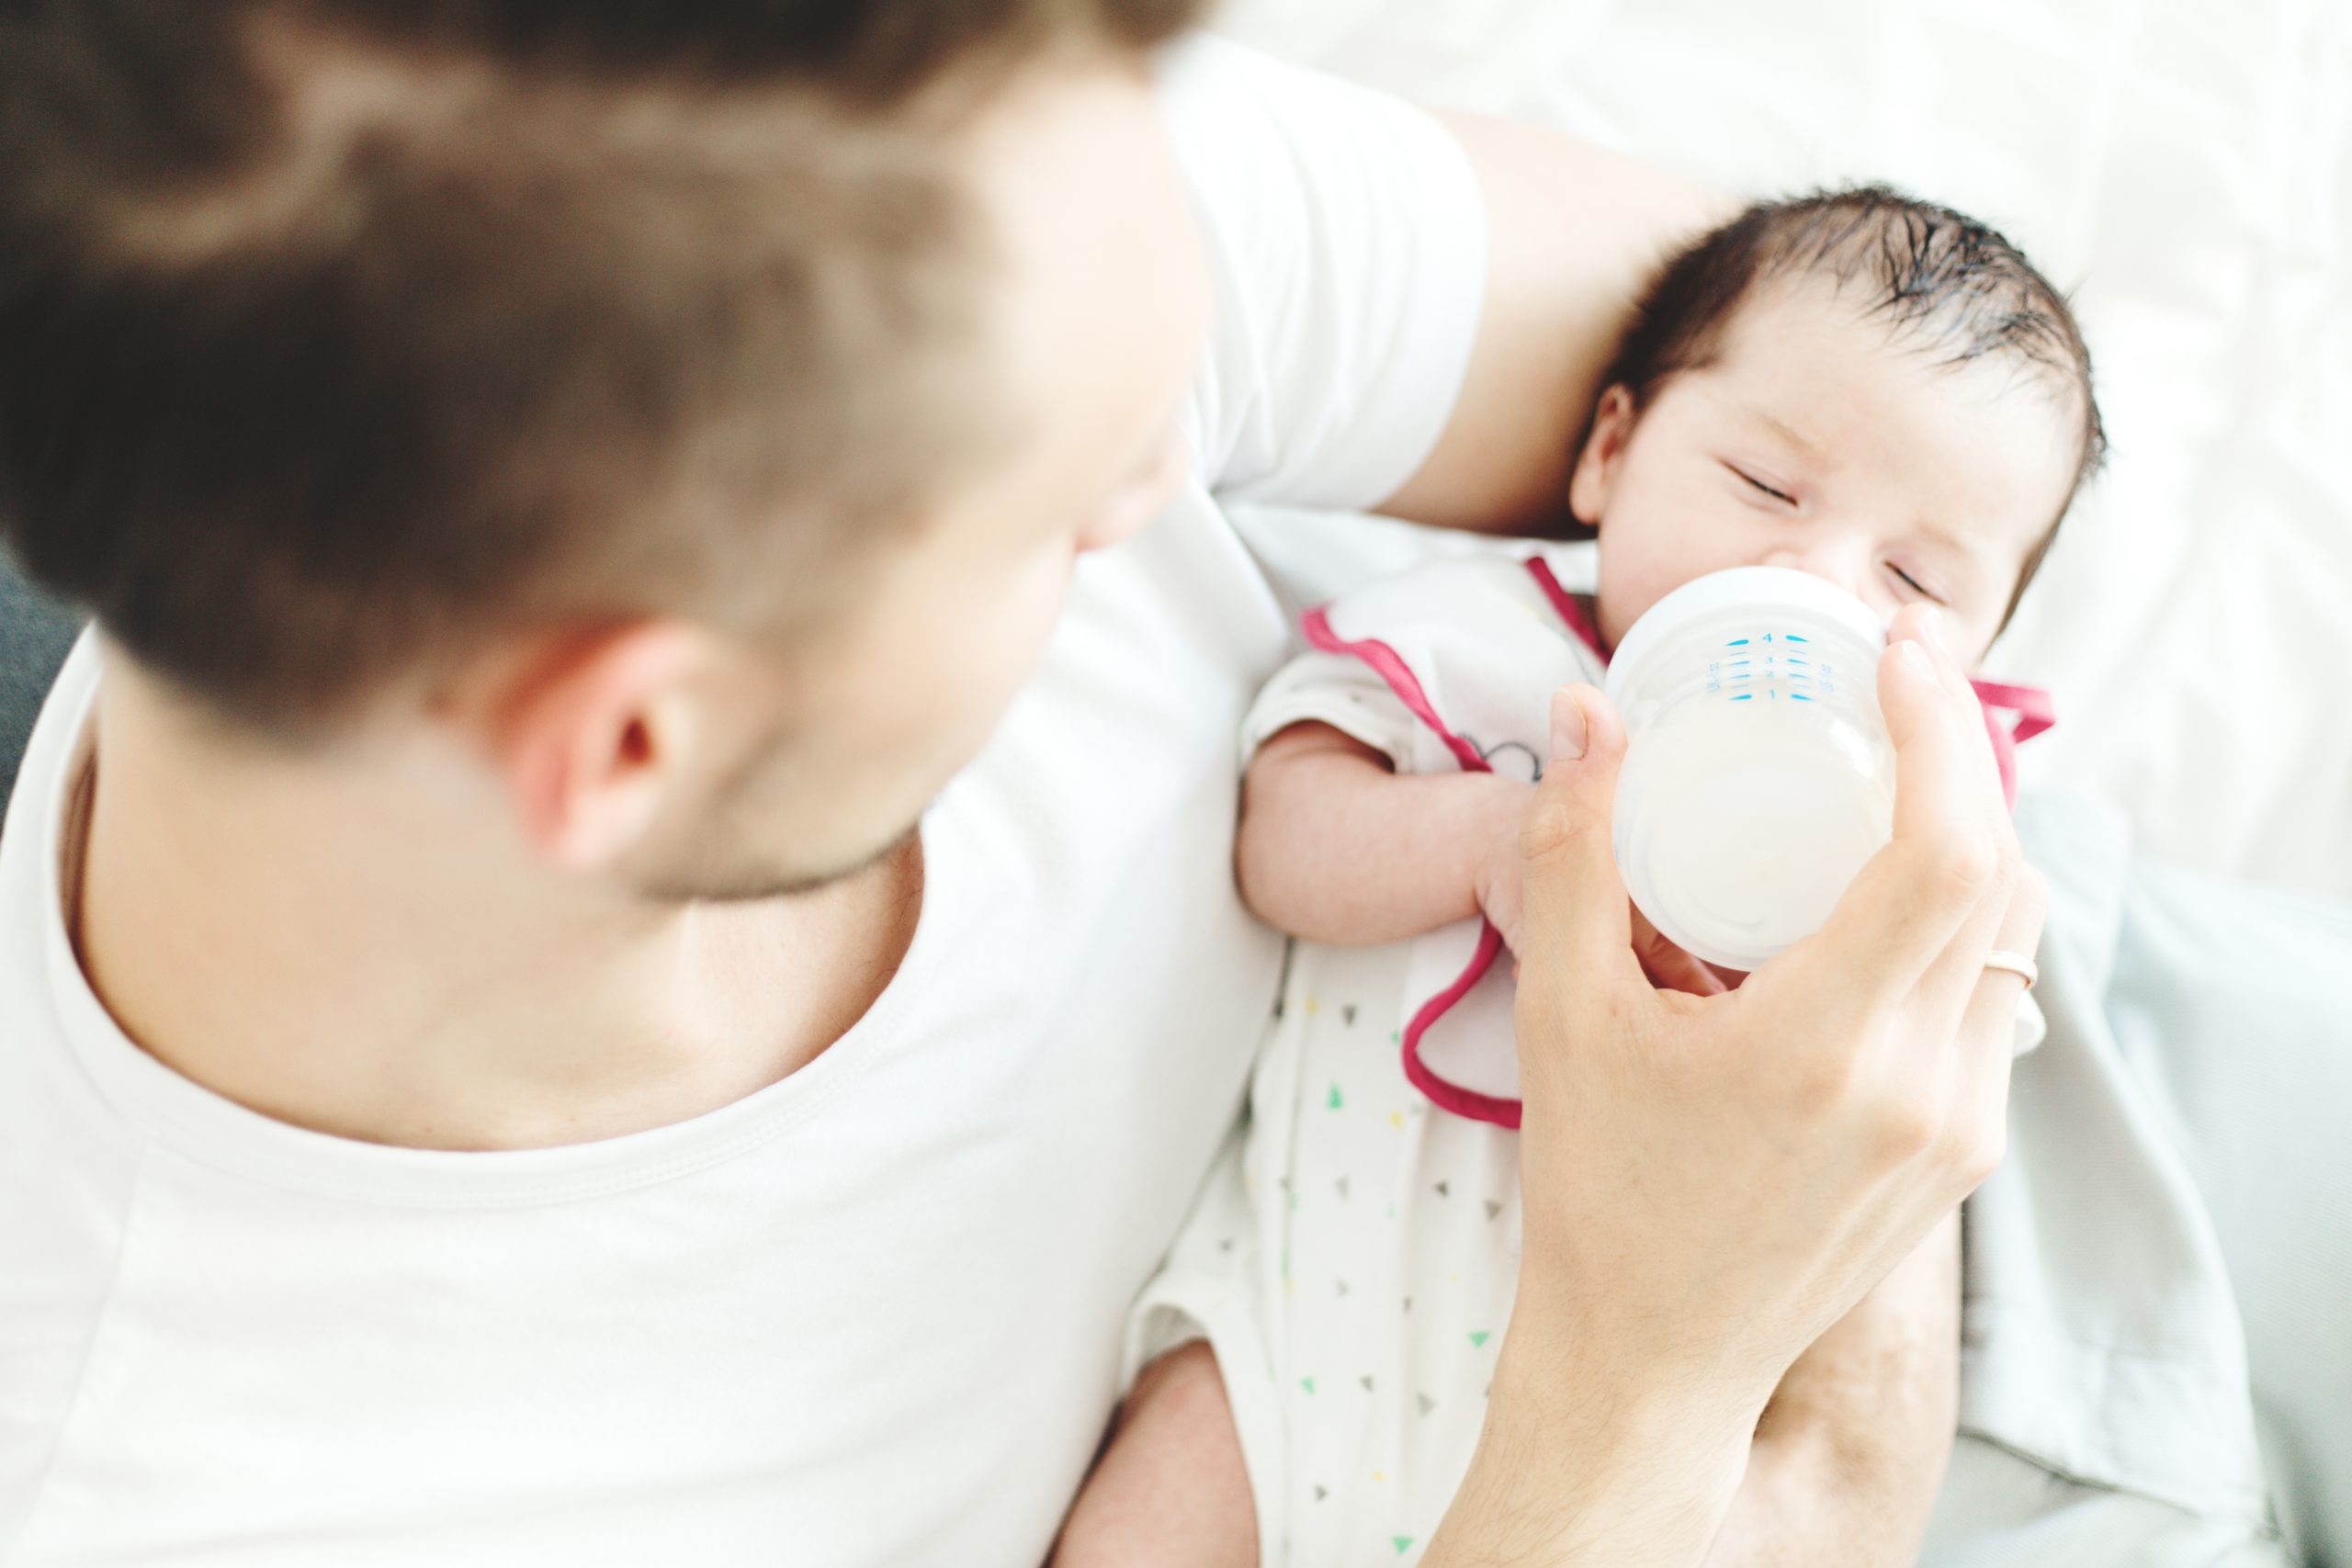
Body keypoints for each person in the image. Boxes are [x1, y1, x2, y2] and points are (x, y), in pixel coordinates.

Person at [0, 5, 2038, 1563]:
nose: (1170, 467)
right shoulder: (289, 1492)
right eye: (1073, 502)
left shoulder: (938, 183)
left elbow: (1858, 378)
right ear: (632, 739)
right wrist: (1654, 1364)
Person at [1053, 186, 2101, 1566]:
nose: (1821, 575)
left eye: (1917, 577)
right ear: (1610, 454)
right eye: (1766, 486)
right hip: (1295, 1333)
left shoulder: (1920, 800)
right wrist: (1485, 838)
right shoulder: (1471, 645)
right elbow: (1280, 840)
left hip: (1650, 1431)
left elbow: (1939, 1054)